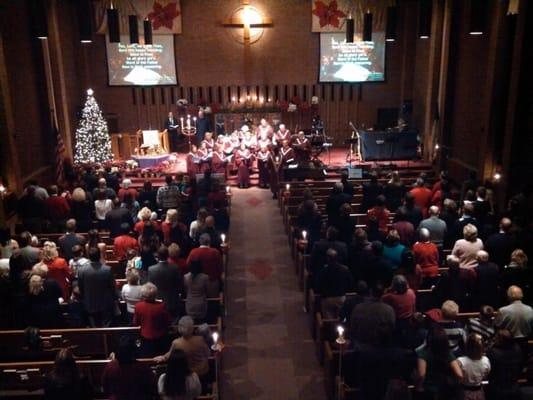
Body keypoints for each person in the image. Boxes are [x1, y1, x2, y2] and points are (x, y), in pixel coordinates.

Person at [102, 335, 157, 400]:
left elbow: (105, 388)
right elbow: (151, 388)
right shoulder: (143, 368)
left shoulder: (110, 366)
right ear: (134, 351)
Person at [415, 326, 463, 398]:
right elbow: (459, 375)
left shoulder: (423, 353)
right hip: (444, 390)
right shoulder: (447, 353)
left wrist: (419, 387)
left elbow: (422, 375)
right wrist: (454, 384)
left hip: (428, 390)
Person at [77, 247, 117, 327]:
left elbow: (81, 288)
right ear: (99, 256)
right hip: (105, 303)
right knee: (106, 327)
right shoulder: (107, 269)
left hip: (90, 303)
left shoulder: (81, 270)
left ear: (89, 256)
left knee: (94, 328)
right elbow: (112, 287)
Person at [133, 282, 171, 357]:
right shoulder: (161, 306)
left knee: (147, 358)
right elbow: (167, 321)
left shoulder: (138, 306)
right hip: (160, 337)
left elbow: (135, 322)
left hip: (145, 337)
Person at [315, 249, 353, 318]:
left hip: (328, 299)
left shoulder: (324, 270)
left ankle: (329, 328)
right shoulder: (344, 269)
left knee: (328, 320)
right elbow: (350, 283)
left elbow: (318, 284)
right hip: (341, 298)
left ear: (327, 258)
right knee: (341, 318)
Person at [486, 329, 522, 400]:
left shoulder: (493, 352)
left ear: (501, 341)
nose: (494, 339)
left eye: (496, 338)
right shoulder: (517, 349)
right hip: (514, 386)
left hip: (497, 388)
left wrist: (491, 345)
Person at [148, 245, 183, 317]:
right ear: (168, 255)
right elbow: (179, 285)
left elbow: (150, 286)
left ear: (157, 256)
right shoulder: (174, 268)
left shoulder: (151, 269)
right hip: (172, 300)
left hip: (157, 301)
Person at [457, 333, 491, 399]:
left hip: (464, 393)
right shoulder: (486, 360)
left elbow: (458, 378)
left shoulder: (460, 361)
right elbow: (486, 375)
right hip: (479, 392)